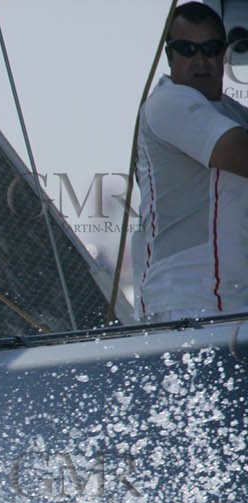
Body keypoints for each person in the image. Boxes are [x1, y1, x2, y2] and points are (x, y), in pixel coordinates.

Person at [135, 2, 248, 321]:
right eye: (187, 49)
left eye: (211, 48)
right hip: (187, 305)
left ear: (223, 53)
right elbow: (236, 153)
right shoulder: (169, 102)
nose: (200, 60)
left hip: (232, 304)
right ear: (170, 56)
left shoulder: (233, 113)